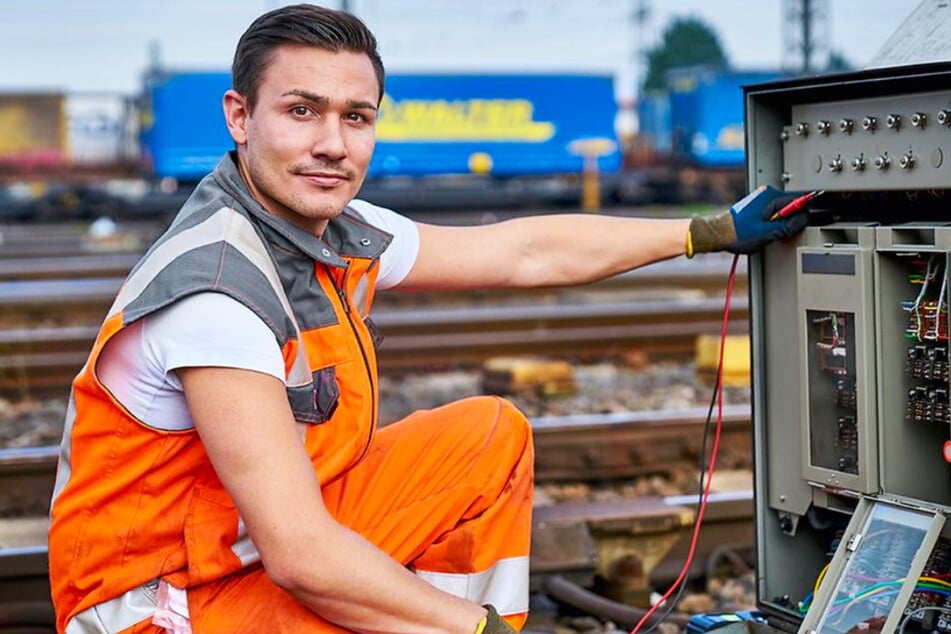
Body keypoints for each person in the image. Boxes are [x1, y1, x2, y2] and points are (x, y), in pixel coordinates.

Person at [47, 5, 808, 634]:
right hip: (154, 605)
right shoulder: (217, 293)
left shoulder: (336, 230)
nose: (331, 145)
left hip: (229, 548)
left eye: (356, 117)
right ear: (240, 117)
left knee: (485, 436)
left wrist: (704, 233)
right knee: (365, 601)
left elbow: (524, 254)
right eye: (301, 111)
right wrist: (464, 627)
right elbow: (301, 556)